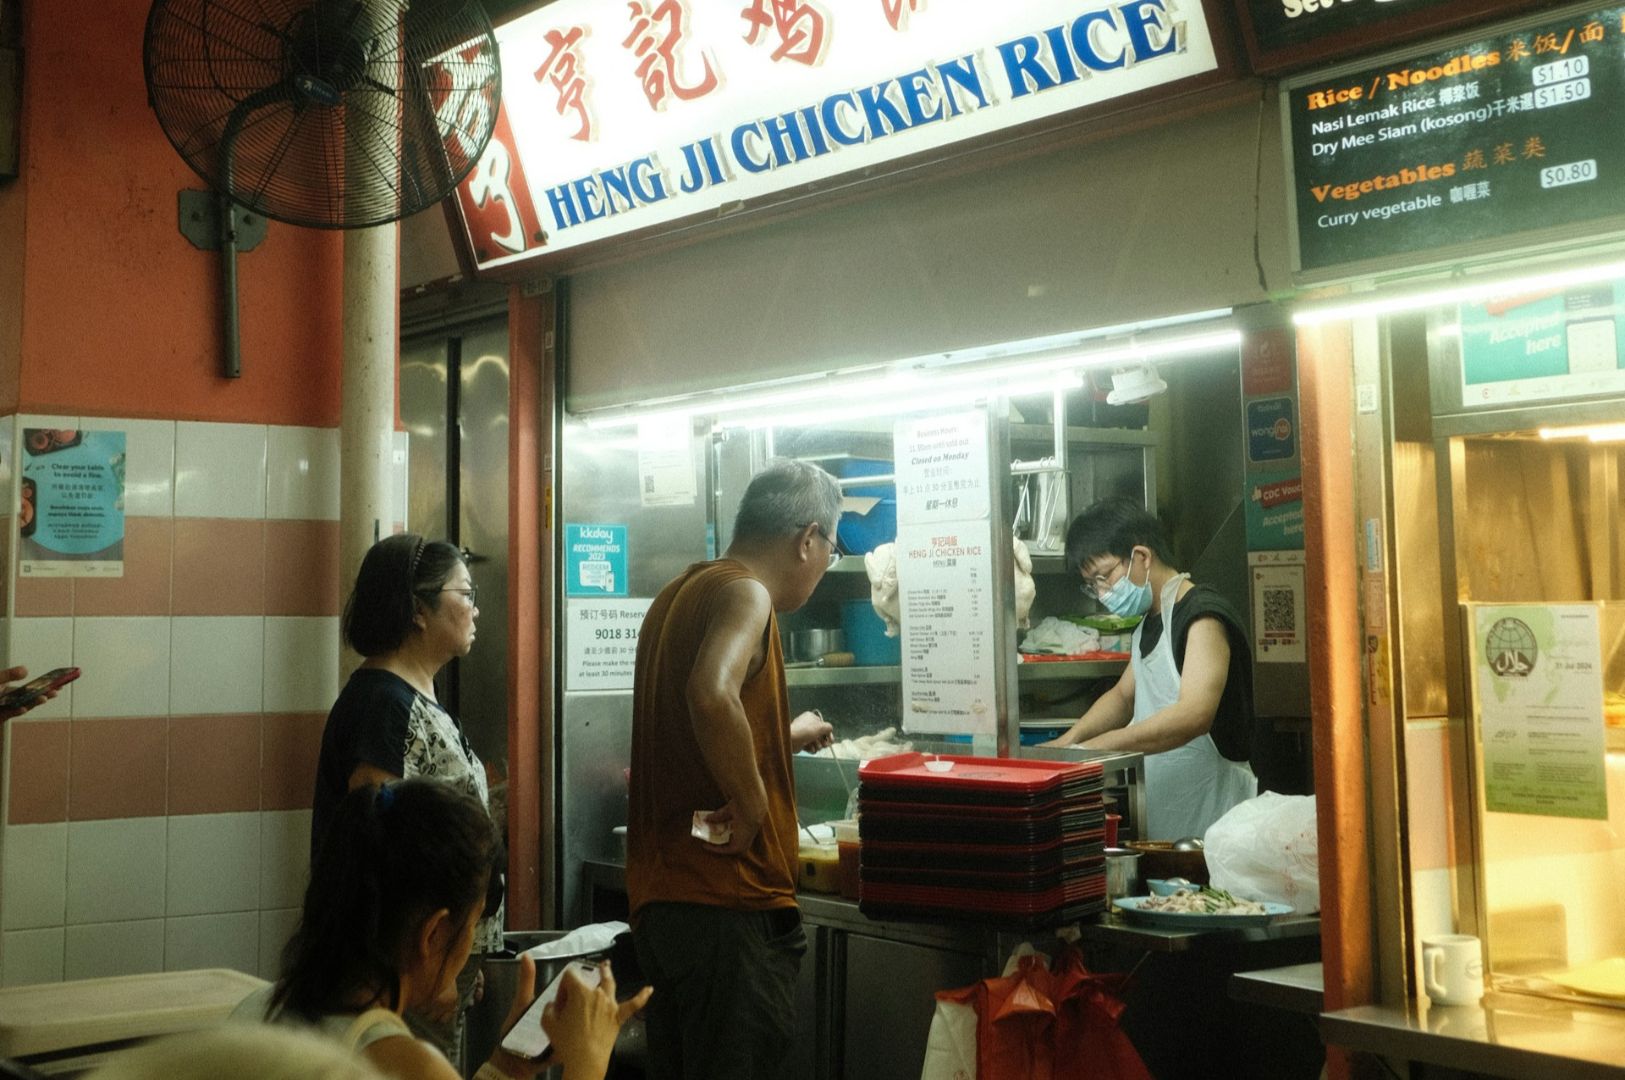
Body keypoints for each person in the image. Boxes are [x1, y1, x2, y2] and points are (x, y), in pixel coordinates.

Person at [627, 458, 840, 1080]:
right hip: (728, 905)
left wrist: (779, 738)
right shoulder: (747, 593)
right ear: (807, 539)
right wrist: (752, 807)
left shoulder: (678, 595)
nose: (827, 563)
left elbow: (700, 716)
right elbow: (709, 693)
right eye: (832, 546)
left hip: (666, 906)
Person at [235, 779, 649, 1080]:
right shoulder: (403, 1063)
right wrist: (588, 1064)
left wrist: (508, 1065)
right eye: (472, 925)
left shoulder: (259, 1008)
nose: (469, 944)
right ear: (433, 934)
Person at [314, 533, 497, 1062]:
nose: (475, 609)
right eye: (466, 593)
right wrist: (432, 972)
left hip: (434, 959)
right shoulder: (384, 706)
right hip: (403, 969)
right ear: (419, 610)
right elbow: (380, 855)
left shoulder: (412, 696)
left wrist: (461, 956)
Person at [1042, 498, 1256, 841]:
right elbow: (1124, 696)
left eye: (1104, 576)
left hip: (1216, 824)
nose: (1101, 593)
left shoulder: (1202, 615)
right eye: (1092, 584)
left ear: (1141, 556)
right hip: (1167, 822)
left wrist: (1098, 749)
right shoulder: (1148, 622)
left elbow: (1193, 715)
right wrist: (1068, 744)